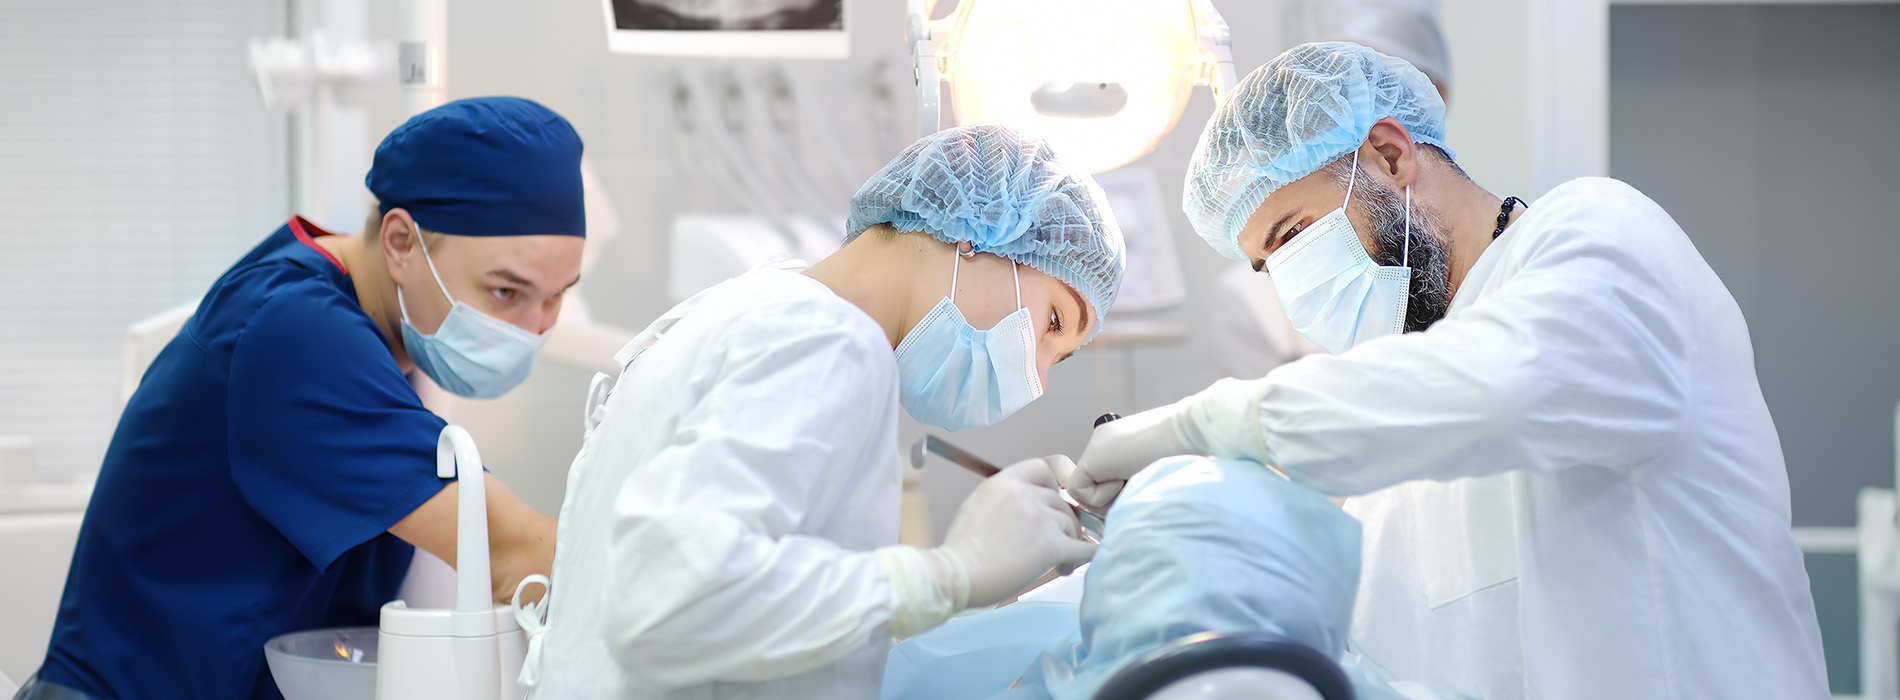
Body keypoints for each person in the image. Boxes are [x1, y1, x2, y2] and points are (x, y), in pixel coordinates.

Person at [1067, 43, 1828, 699]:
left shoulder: (1601, 238)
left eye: (1293, 234)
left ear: (1391, 156)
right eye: (1268, 266)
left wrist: (1193, 430)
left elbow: (1502, 392)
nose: (1290, 286)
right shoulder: (1397, 454)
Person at [522, 124, 1122, 698]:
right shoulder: (828, 342)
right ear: (977, 231)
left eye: (1060, 358)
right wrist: (950, 573)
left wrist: (995, 572)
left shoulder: (765, 304)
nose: (1036, 378)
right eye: (1051, 323)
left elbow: (760, 608)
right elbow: (670, 600)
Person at [22, 97, 581, 700]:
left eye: (557, 297)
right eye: (505, 292)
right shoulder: (298, 333)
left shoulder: (381, 336)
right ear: (400, 242)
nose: (533, 329)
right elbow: (508, 552)